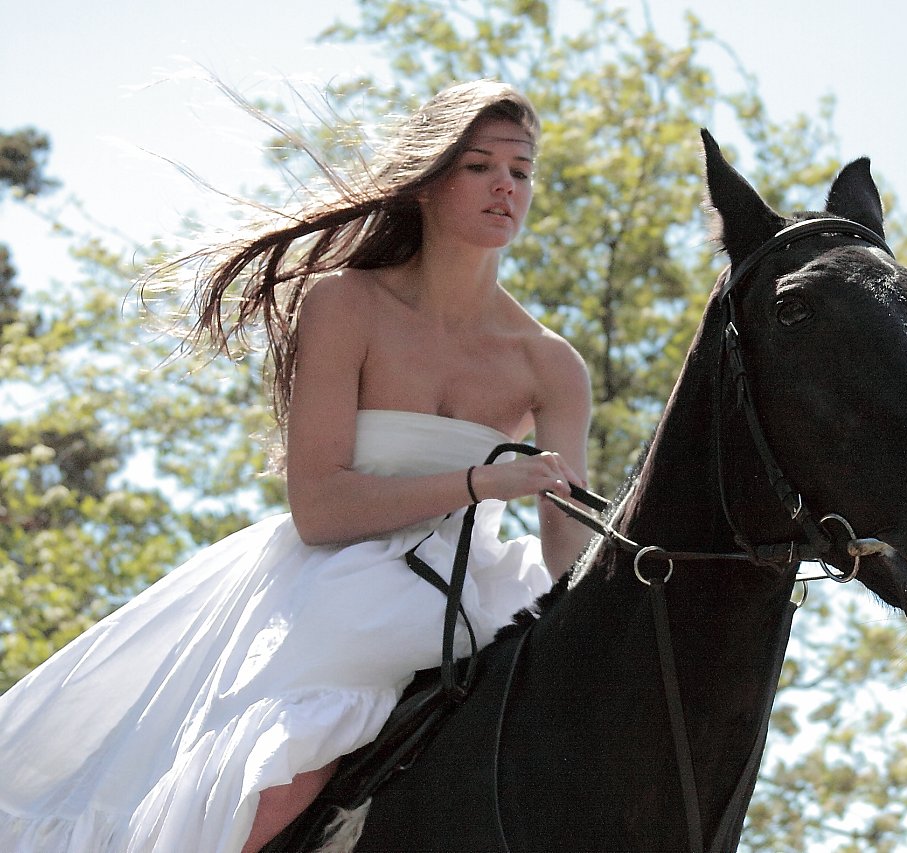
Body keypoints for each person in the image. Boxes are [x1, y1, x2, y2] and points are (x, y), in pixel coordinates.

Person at [0, 80, 593, 853]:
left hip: (470, 587)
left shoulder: (552, 364)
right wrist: (480, 482)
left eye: (522, 170)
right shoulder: (345, 304)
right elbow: (319, 508)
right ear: (426, 182)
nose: (506, 186)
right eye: (480, 165)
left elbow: (568, 551)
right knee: (274, 780)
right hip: (334, 580)